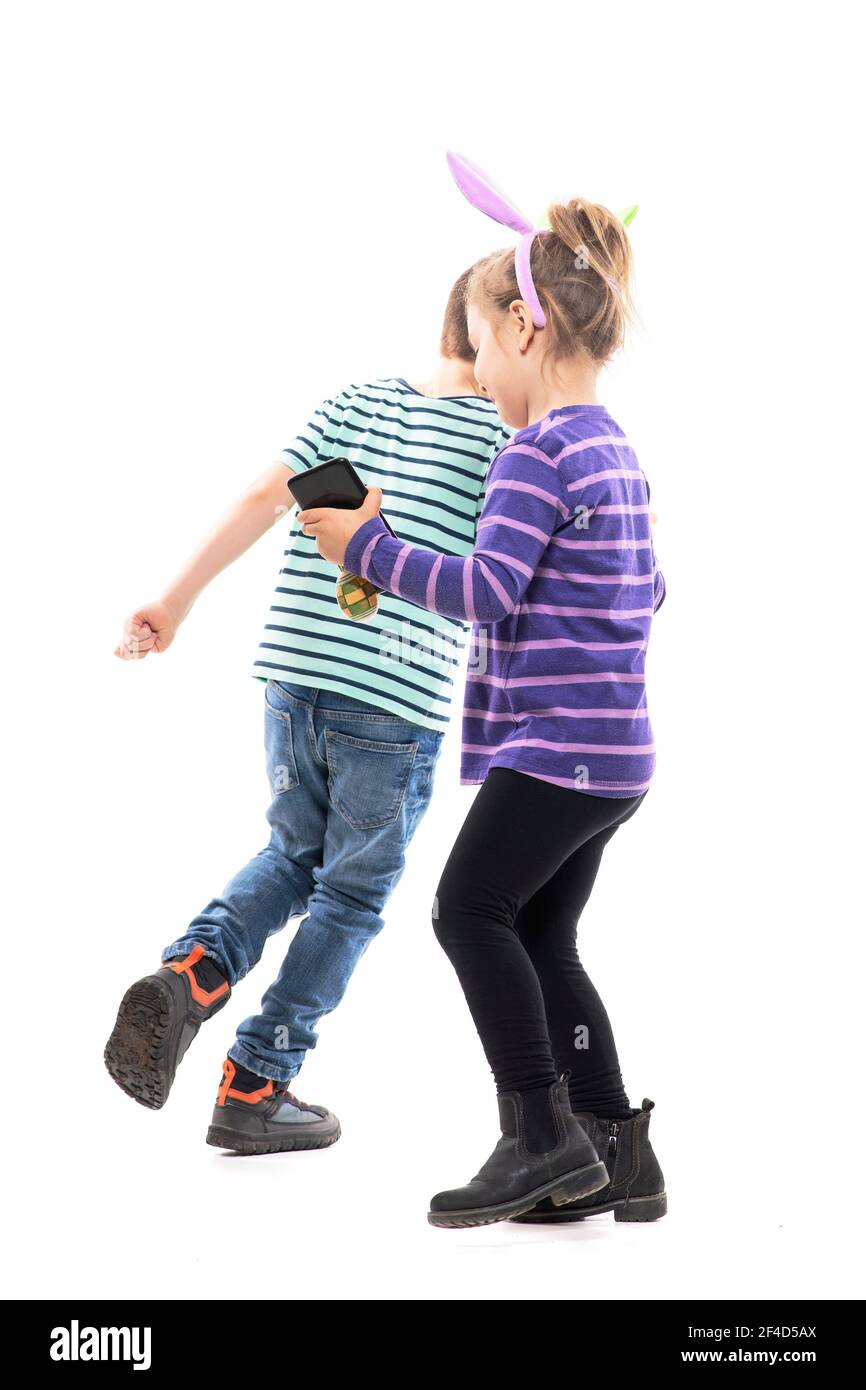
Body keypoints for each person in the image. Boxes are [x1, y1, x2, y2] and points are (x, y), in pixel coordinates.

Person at [300, 190, 667, 1227]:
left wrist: (360, 547)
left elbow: (486, 589)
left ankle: (537, 1138)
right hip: (617, 751)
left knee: (468, 911)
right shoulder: (614, 450)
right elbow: (649, 589)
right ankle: (616, 1151)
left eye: (480, 350)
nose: (481, 377)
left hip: (551, 750)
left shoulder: (535, 453)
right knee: (544, 934)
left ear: (521, 325)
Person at [104, 267, 513, 1154]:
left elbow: (264, 496)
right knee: (355, 891)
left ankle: (195, 969)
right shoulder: (502, 436)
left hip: (293, 677)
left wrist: (173, 604)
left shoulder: (357, 398)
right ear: (499, 340)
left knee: (295, 851)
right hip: (393, 696)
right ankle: (257, 1081)